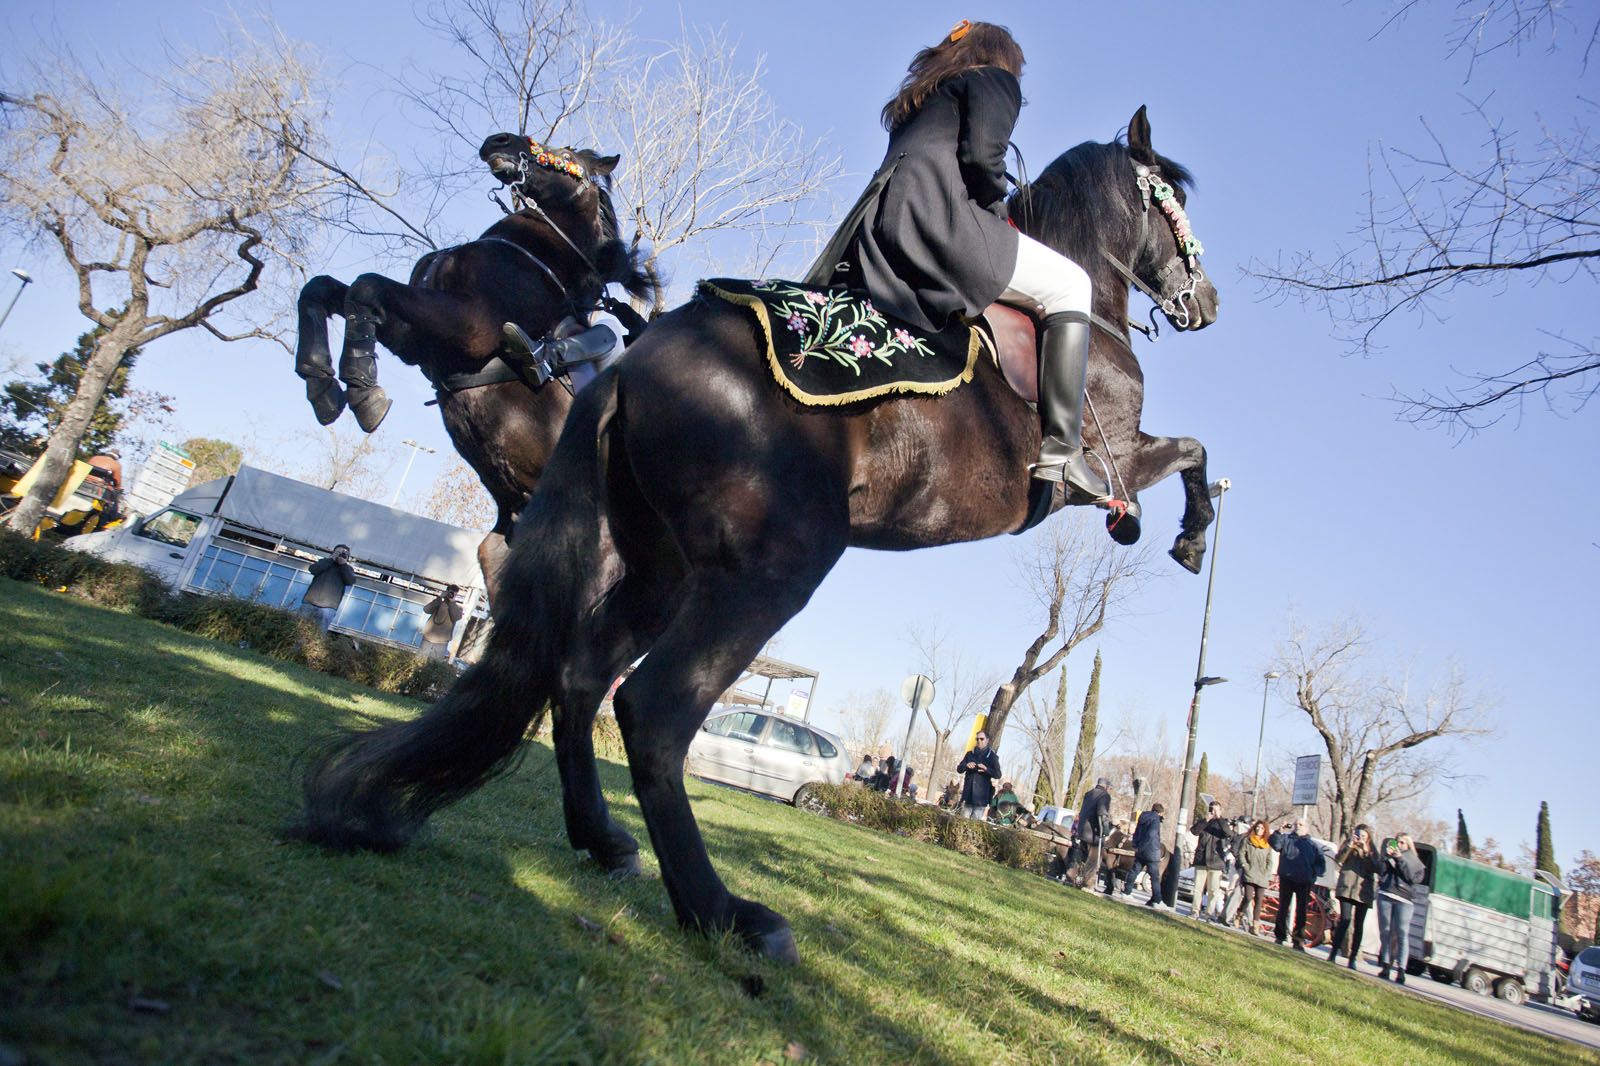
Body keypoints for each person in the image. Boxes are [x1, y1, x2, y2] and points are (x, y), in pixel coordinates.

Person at [805, 20, 1108, 499]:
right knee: (1074, 286)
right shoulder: (995, 81)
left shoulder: (922, 99)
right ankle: (1063, 452)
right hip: (941, 224)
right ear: (1004, 60)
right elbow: (983, 159)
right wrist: (997, 212)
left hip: (884, 226)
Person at [1270, 817, 1327, 950]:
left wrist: (1312, 873)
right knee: (1283, 908)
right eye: (1296, 824)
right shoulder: (1286, 839)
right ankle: (1280, 935)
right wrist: (1278, 831)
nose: (1297, 826)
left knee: (1301, 911)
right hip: (1287, 878)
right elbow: (1275, 844)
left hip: (1304, 881)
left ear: (1306, 827)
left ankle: (1298, 940)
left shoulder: (1313, 846)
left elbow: (1321, 866)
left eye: (1301, 824)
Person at [1328, 824, 1380, 969]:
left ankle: (1353, 958)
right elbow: (1339, 860)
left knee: (1358, 925)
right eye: (1358, 835)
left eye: (1363, 836)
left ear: (1368, 837)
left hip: (1363, 892)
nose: (1360, 838)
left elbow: (1376, 868)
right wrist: (1349, 846)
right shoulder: (1348, 843)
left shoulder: (1372, 849)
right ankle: (1333, 953)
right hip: (1347, 888)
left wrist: (1365, 851)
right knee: (1344, 920)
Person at [1376, 833, 1425, 983]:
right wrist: (1385, 858)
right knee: (1385, 932)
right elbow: (1380, 871)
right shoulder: (1389, 856)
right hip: (1386, 893)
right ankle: (1385, 965)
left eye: (1403, 843)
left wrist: (1399, 859)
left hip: (1404, 899)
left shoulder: (1414, 861)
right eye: (1397, 842)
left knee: (1402, 933)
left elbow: (1411, 878)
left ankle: (1401, 969)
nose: (1399, 845)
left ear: (1409, 845)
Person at [1234, 818, 1276, 936]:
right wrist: (1245, 866)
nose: (1259, 829)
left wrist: (1267, 873)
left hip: (1262, 875)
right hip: (1250, 872)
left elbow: (1270, 861)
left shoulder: (1267, 844)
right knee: (1248, 897)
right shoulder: (1248, 841)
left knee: (1259, 900)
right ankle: (1239, 914)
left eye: (1262, 828)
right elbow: (1241, 854)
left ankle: (1255, 925)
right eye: (1258, 827)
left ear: (1265, 830)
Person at [1190, 801, 1230, 921]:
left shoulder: (1223, 823)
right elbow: (1194, 831)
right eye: (1212, 809)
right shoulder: (1204, 822)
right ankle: (1195, 911)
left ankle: (1209, 913)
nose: (1213, 812)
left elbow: (1228, 833)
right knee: (1198, 888)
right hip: (1202, 859)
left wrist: (1219, 818)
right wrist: (1205, 820)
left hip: (1216, 861)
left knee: (1213, 890)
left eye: (1216, 810)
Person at [303, 544, 355, 633]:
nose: (340, 555)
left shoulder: (348, 569)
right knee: (298, 630)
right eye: (338, 552)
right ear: (333, 552)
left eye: (343, 554)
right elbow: (313, 569)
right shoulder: (324, 561)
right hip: (310, 603)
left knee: (319, 635)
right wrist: (331, 559)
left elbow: (350, 581)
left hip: (328, 608)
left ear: (348, 557)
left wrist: (343, 565)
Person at [1074, 777, 1113, 889]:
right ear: (1106, 786)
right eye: (1109, 788)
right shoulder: (1104, 796)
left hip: (1082, 831)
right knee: (1093, 860)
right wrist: (1105, 830)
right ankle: (1088, 884)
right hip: (1094, 834)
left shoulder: (1089, 793)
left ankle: (1077, 879)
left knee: (1082, 858)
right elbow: (1102, 814)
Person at [955, 731, 1001, 819]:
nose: (979, 741)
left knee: (974, 825)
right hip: (968, 795)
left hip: (981, 798)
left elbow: (998, 774)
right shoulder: (969, 754)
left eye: (982, 739)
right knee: (962, 821)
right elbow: (959, 769)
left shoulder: (992, 757)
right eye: (977, 739)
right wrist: (966, 766)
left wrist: (986, 769)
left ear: (987, 740)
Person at [1126, 803, 1165, 906]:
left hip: (1140, 850)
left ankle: (1126, 892)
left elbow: (1137, 832)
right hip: (1151, 850)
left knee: (1134, 871)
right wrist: (1153, 846)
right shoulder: (1156, 819)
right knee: (1155, 877)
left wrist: (1136, 845)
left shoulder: (1143, 817)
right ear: (1160, 812)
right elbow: (1152, 834)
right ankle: (1157, 900)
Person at [420, 584, 464, 661]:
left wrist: (452, 602)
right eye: (450, 592)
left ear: (456, 595)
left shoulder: (457, 608)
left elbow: (456, 617)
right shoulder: (438, 602)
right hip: (427, 639)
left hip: (442, 642)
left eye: (453, 594)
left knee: (434, 665)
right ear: (446, 592)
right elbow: (426, 610)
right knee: (419, 662)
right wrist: (439, 598)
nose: (451, 595)